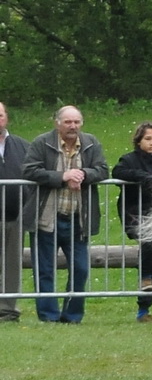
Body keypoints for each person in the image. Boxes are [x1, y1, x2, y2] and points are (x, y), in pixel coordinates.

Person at [21, 106, 109, 324]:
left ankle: (72, 315)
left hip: (78, 220)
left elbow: (103, 170)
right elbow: (29, 170)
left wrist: (82, 174)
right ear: (57, 123)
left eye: (76, 122)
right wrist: (62, 176)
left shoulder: (91, 143)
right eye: (68, 122)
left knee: (81, 269)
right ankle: (48, 316)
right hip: (46, 219)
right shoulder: (42, 142)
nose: (73, 126)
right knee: (45, 271)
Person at [114, 122, 152, 322]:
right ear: (138, 141)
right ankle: (145, 287)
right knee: (148, 244)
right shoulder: (129, 160)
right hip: (136, 213)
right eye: (148, 139)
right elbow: (119, 172)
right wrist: (150, 180)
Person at [0, 101, 38, 323]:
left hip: (16, 216)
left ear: (6, 118)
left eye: (0, 115)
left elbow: (35, 173)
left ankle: (7, 309)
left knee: (12, 265)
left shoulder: (23, 146)